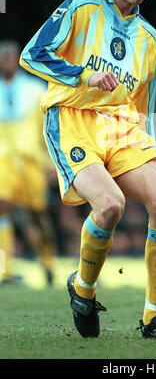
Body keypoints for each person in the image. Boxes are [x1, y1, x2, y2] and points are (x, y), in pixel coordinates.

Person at [19, 0, 156, 339]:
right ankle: (83, 289)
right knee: (110, 206)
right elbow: (32, 53)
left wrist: (155, 155)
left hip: (123, 127)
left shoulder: (149, 37)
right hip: (73, 118)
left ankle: (153, 319)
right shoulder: (80, 7)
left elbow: (148, 105)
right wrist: (84, 75)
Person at [0, 40, 56, 286]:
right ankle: (5, 271)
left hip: (32, 160)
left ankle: (48, 263)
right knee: (2, 208)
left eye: (10, 57)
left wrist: (51, 162)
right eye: (3, 58)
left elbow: (50, 128)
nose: (6, 62)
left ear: (18, 60)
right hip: (4, 161)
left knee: (38, 215)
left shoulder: (36, 89)